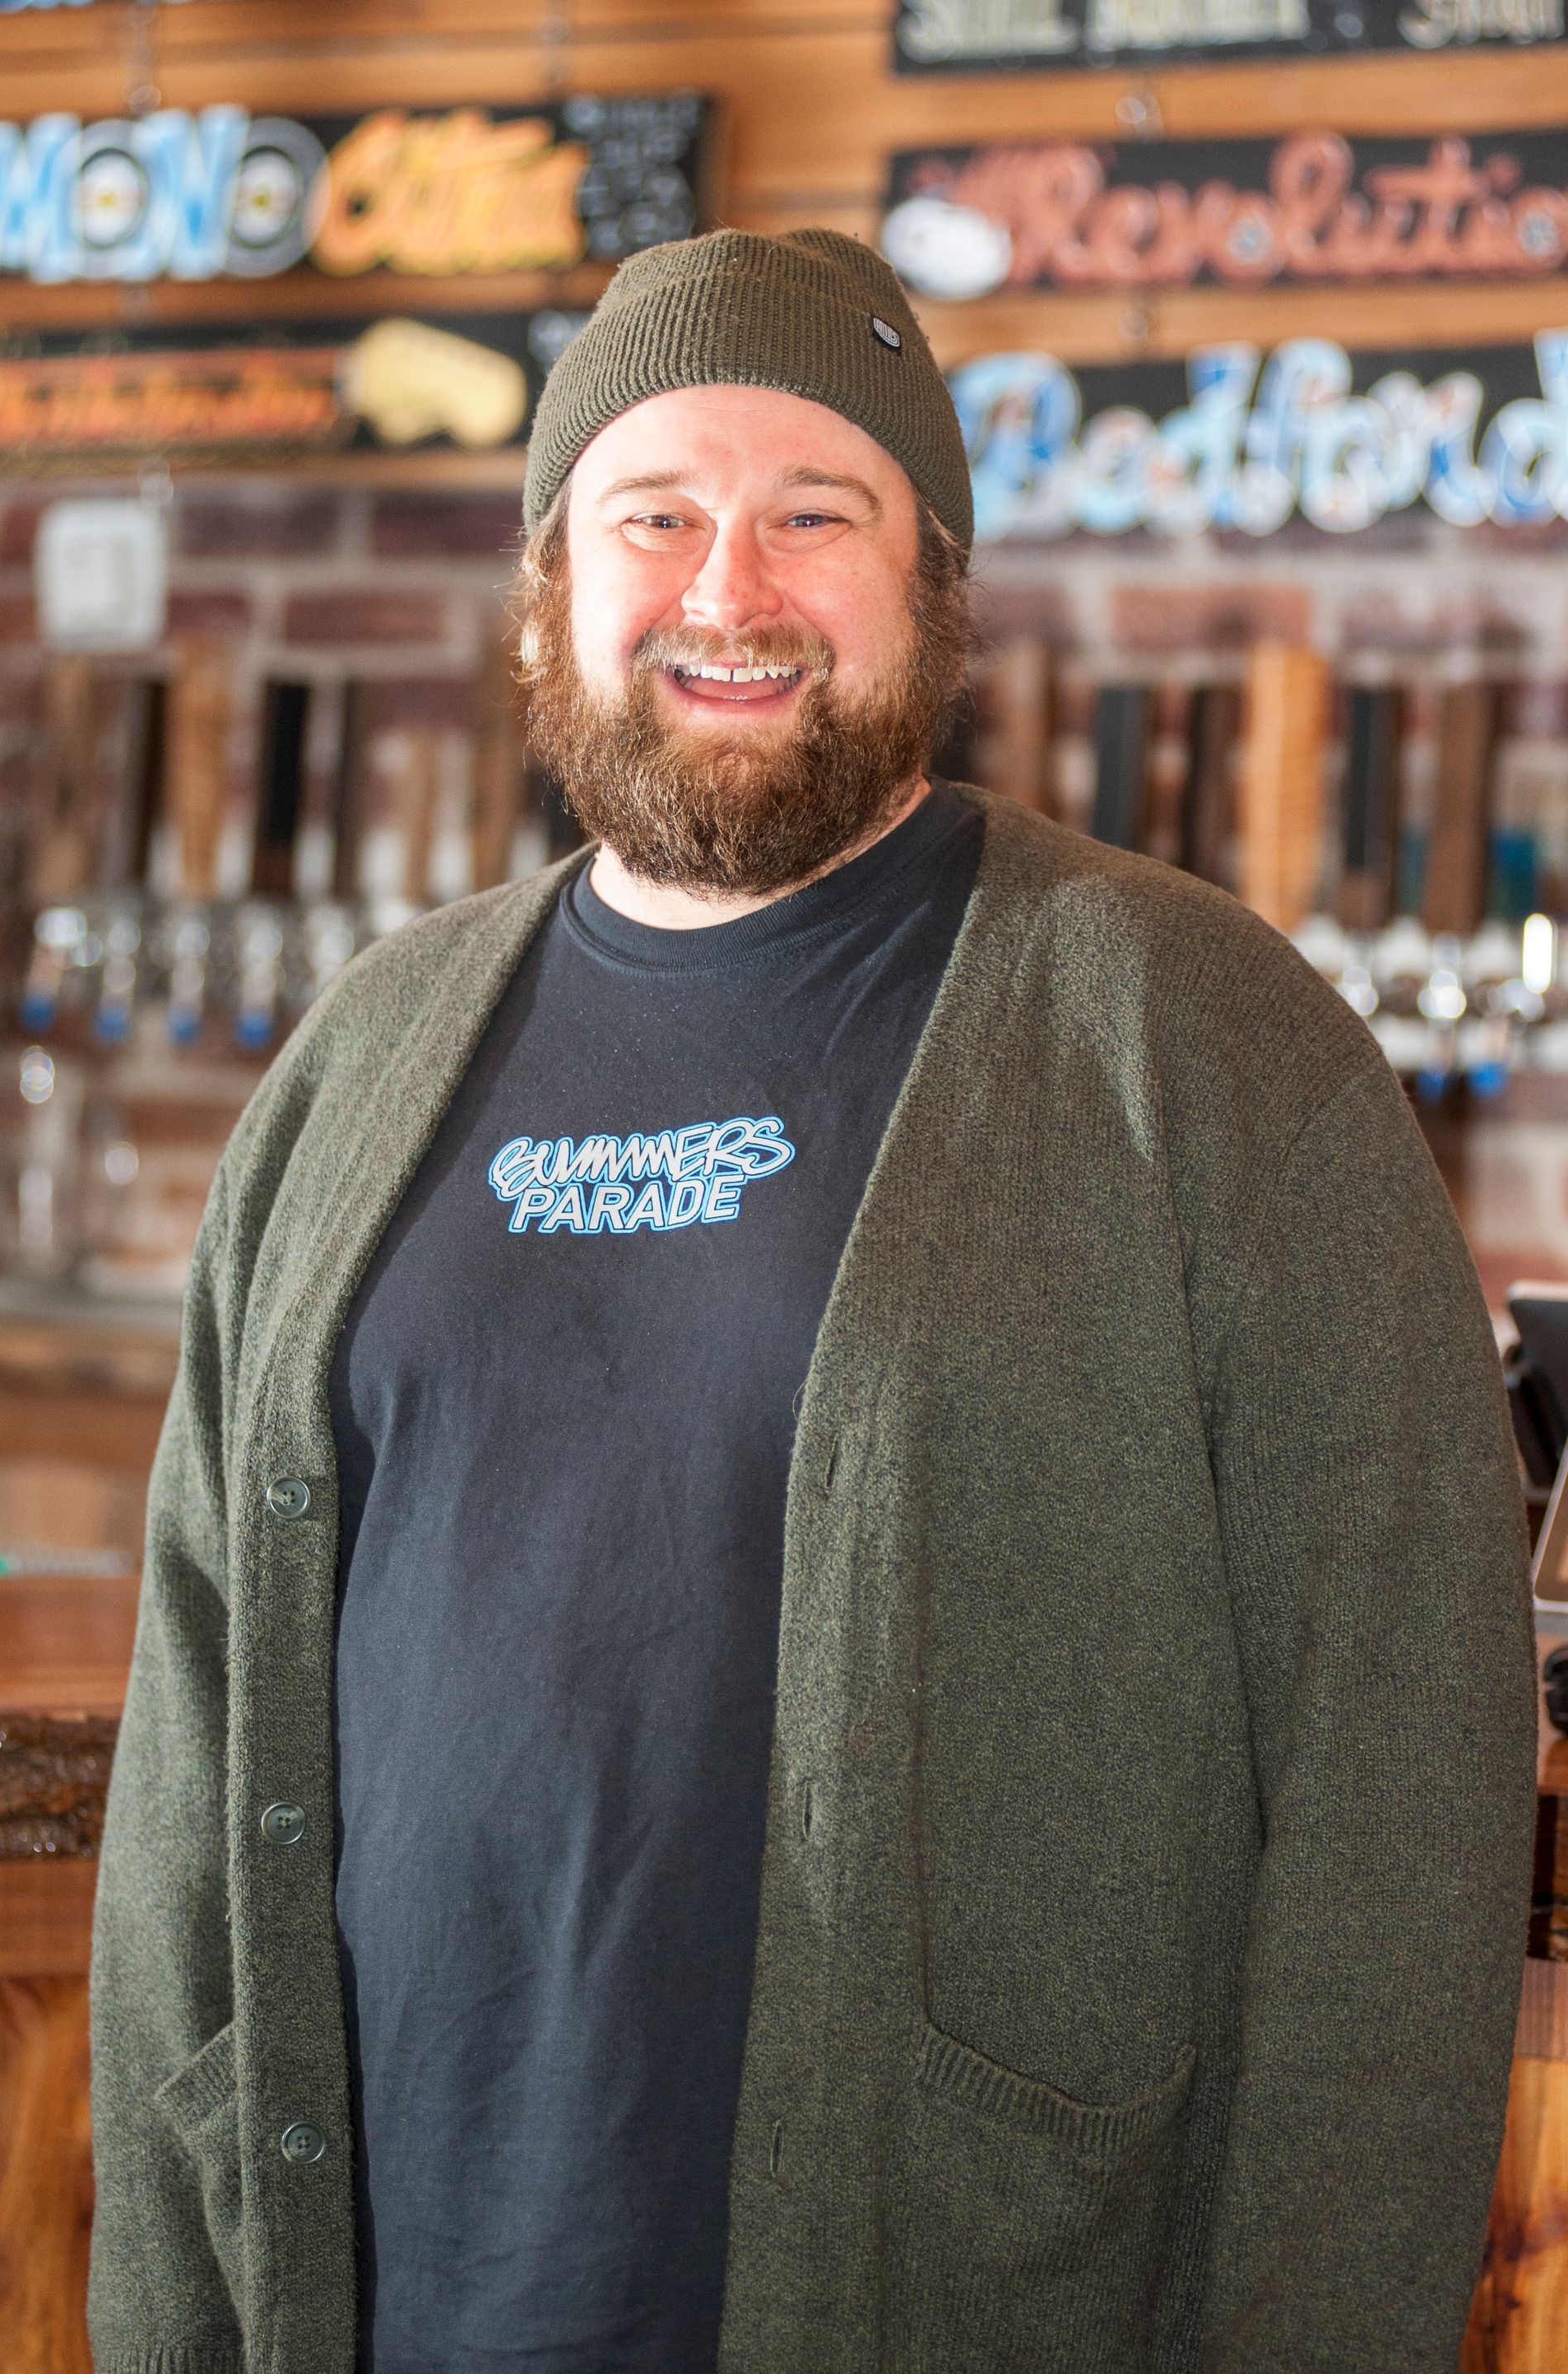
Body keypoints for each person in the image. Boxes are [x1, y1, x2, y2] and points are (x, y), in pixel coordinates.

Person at [88, 230, 1537, 2374]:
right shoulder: (364, 1061)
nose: (729, 589)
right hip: (383, 2292)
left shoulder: (1195, 1037)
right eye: (653, 513)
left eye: (815, 514)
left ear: (935, 581)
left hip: (969, 2294)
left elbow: (1402, 1764)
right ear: (551, 586)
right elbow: (189, 1759)